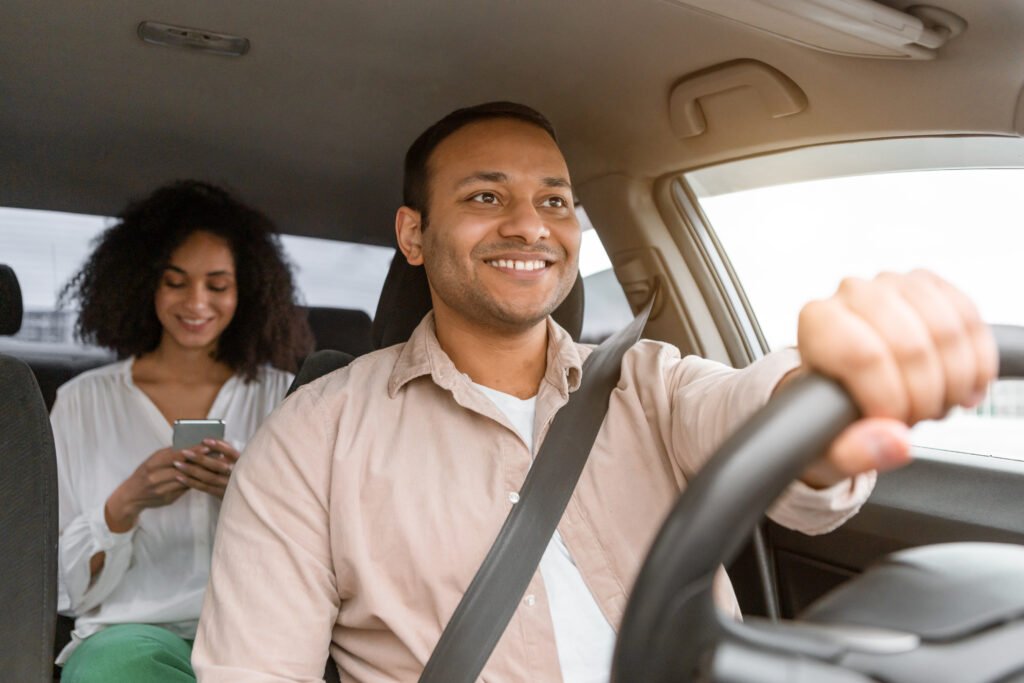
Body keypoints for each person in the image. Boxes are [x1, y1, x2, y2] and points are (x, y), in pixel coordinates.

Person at [192, 103, 997, 683]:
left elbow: (746, 405)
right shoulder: (309, 439)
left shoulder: (649, 381)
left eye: (554, 200)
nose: (530, 224)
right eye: (485, 196)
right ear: (413, 234)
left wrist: (820, 402)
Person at [53, 180, 314, 682]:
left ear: (248, 292)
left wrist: (249, 490)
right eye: (176, 282)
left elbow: (330, 553)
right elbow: (64, 588)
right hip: (127, 639)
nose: (197, 303)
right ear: (143, 284)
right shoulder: (83, 402)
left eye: (217, 285)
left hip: (262, 635)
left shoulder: (288, 396)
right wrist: (125, 503)